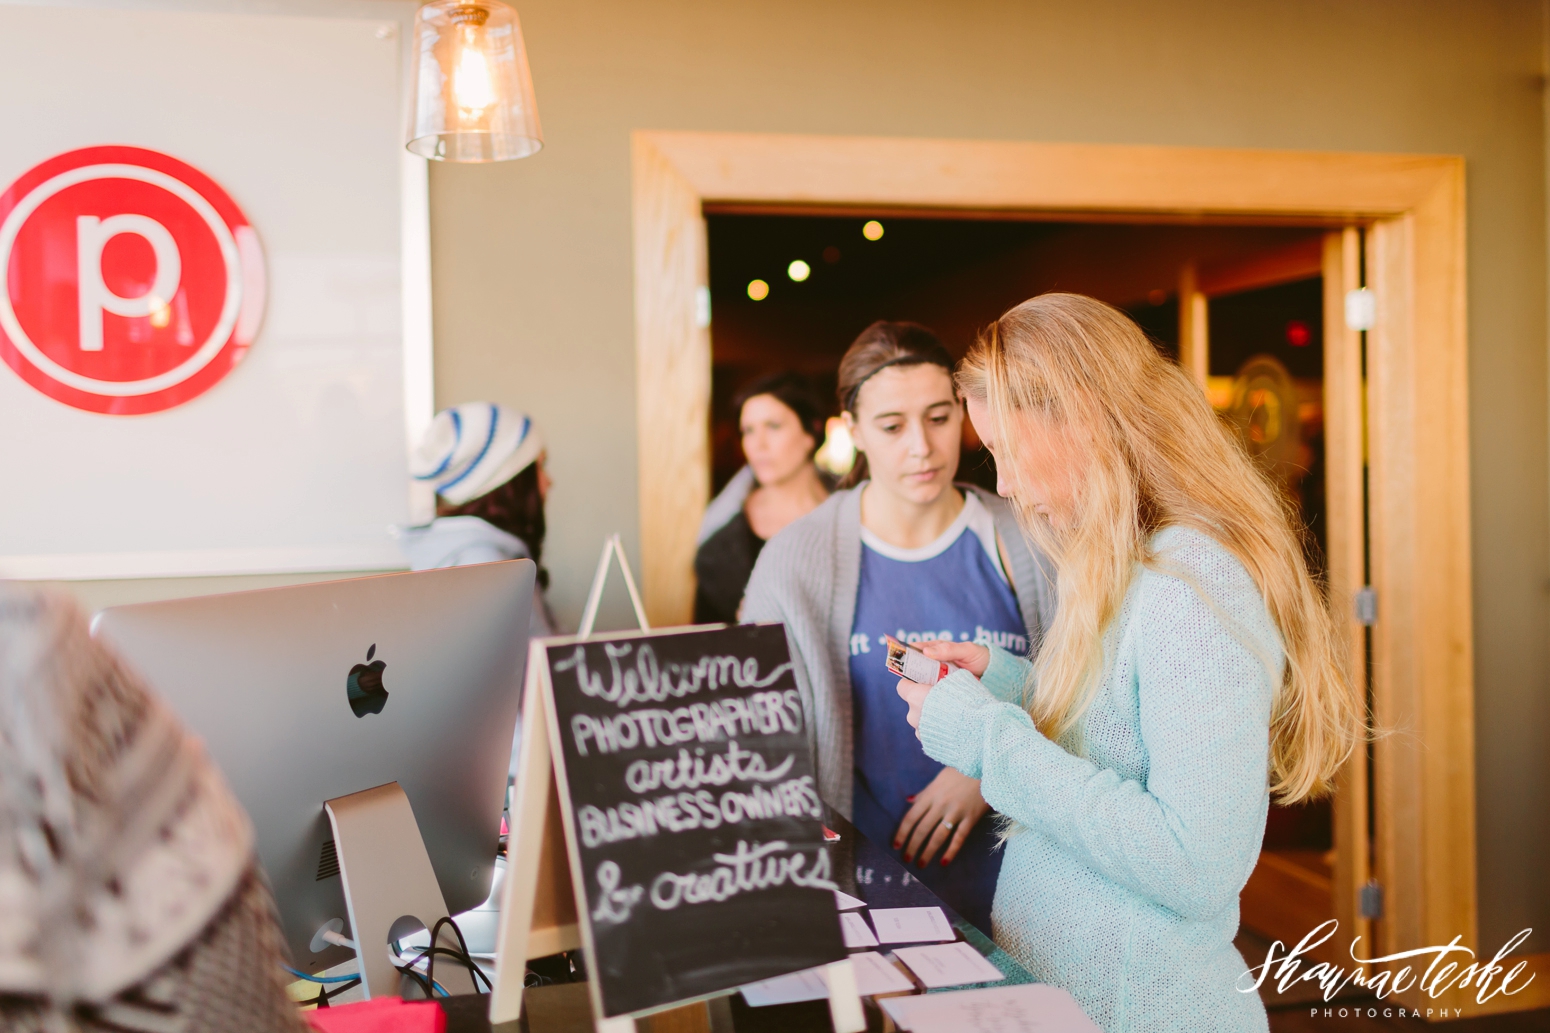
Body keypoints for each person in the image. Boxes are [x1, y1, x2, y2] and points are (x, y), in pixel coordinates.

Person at [895, 294, 1363, 1032]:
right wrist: (1009, 683)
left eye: (1009, 453)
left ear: (1082, 417)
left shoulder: (1193, 586)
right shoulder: (1125, 558)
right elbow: (1120, 733)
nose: (1007, 484)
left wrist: (987, 738)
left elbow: (1195, 864)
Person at [742, 322, 1055, 935]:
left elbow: (1090, 691)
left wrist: (984, 769)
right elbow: (765, 741)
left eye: (940, 418)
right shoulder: (796, 559)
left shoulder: (1025, 537)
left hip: (1025, 890)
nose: (922, 447)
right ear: (852, 430)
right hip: (865, 893)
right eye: (891, 427)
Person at [403, 402, 557, 638]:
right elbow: (530, 670)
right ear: (511, 481)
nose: (548, 481)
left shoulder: (479, 557)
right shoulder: (486, 566)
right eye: (540, 466)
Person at [694, 372, 830, 624]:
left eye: (773, 426)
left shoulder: (860, 512)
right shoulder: (720, 548)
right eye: (748, 431)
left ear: (812, 431)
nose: (758, 444)